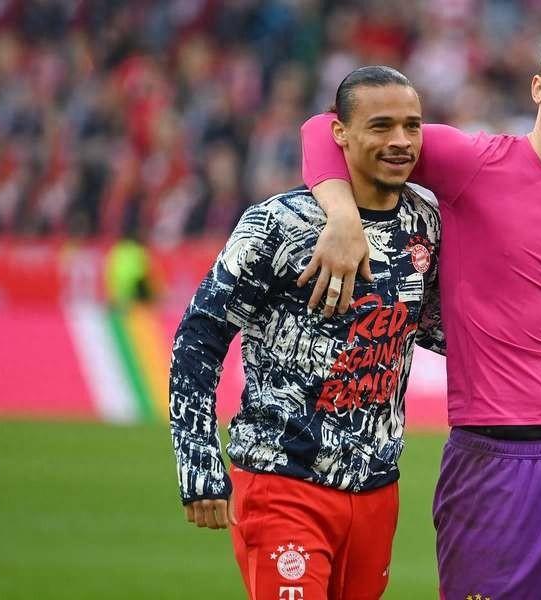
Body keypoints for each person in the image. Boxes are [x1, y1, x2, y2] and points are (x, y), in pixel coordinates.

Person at [299, 20, 541, 600]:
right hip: (492, 468)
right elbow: (325, 128)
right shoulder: (473, 163)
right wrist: (343, 218)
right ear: (538, 88)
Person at [169, 66, 446, 600]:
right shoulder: (277, 224)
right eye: (381, 126)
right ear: (340, 133)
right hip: (283, 482)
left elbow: (437, 328)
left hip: (377, 488)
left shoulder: (425, 224)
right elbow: (198, 338)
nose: (400, 141)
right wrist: (197, 457)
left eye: (412, 126)